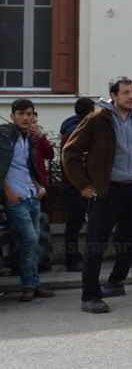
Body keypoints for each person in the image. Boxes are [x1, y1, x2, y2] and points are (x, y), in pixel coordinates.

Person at [63, 76, 132, 313]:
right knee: (95, 245)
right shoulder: (96, 120)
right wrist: (84, 185)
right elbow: (71, 153)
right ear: (114, 95)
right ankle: (90, 296)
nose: (131, 97)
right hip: (107, 190)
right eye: (126, 92)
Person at [1, 99, 54, 302]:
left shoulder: (27, 138)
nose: (26, 117)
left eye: (29, 114)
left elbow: (26, 168)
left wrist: (38, 186)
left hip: (31, 195)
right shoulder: (5, 134)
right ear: (12, 115)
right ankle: (29, 285)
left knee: (33, 242)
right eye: (21, 113)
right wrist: (9, 193)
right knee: (30, 240)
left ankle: (33, 284)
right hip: (16, 199)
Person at [60, 97, 96, 272]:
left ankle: (76, 257)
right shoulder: (77, 131)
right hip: (77, 185)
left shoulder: (70, 127)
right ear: (89, 112)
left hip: (73, 183)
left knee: (76, 223)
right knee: (75, 224)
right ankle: (73, 258)